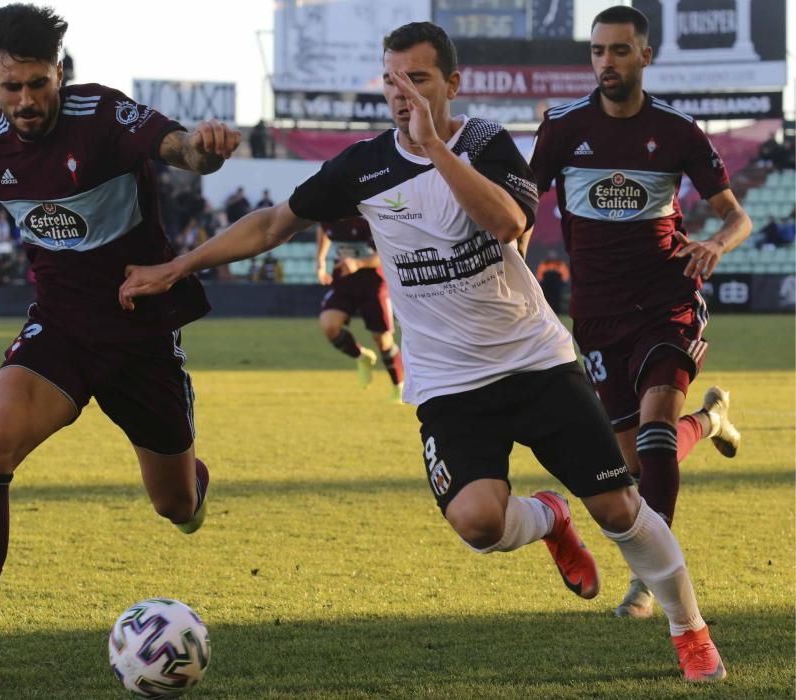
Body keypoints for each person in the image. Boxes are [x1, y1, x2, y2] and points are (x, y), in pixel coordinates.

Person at [120, 21, 727, 683]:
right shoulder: (364, 165)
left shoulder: (489, 146)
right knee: (477, 522)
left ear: (451, 84)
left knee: (617, 508)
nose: (401, 93)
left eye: (417, 78)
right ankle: (549, 516)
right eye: (391, 80)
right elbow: (273, 223)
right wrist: (176, 267)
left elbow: (508, 223)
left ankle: (687, 628)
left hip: (534, 362)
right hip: (449, 385)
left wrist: (435, 149)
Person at [0, 3, 241, 678]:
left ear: (58, 74)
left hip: (142, 331)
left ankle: (193, 484)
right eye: (12, 87)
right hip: (60, 331)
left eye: (39, 83)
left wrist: (204, 150)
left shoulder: (101, 115)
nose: (28, 99)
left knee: (174, 504)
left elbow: (179, 149)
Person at [528, 6, 750, 619]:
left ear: (644, 56)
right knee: (633, 465)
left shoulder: (678, 131)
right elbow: (520, 206)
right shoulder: (564, 128)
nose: (607, 62)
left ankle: (650, 581)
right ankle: (708, 423)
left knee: (652, 433)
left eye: (620, 51)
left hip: (666, 299)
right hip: (596, 314)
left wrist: (713, 244)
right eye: (598, 51)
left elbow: (737, 216)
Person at [316, 216, 404, 400]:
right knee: (329, 325)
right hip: (344, 280)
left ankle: (398, 386)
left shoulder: (366, 220)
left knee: (382, 340)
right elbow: (323, 229)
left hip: (373, 283)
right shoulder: (326, 213)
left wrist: (358, 263)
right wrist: (321, 260)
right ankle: (361, 357)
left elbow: (387, 254)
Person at [534, 248, 570, 314]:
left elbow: (565, 275)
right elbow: (539, 275)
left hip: (557, 287)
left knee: (556, 300)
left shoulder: (560, 264)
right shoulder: (543, 264)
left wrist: (562, 282)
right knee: (547, 300)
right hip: (546, 286)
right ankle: (547, 312)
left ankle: (556, 313)